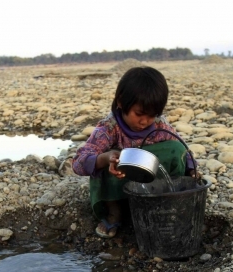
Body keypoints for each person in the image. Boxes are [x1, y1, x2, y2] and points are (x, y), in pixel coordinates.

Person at [72, 66, 196, 238]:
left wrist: (192, 170)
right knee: (107, 158)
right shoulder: (109, 128)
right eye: (139, 114)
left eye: (152, 115)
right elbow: (78, 163)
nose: (145, 121)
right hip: (119, 185)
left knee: (176, 149)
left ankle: (166, 203)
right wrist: (105, 158)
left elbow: (182, 150)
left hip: (151, 187)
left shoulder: (160, 126)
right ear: (121, 102)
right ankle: (114, 213)